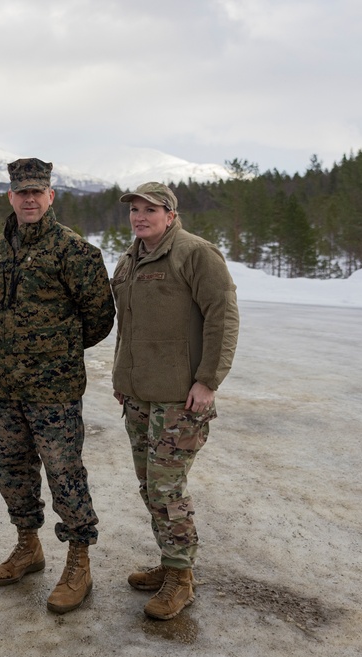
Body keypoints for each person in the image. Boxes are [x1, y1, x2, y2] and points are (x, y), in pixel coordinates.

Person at [0, 158, 115, 614]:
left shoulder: (75, 251)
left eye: (38, 191)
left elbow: (100, 319)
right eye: (23, 192)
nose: (30, 199)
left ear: (51, 196)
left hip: (54, 392)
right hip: (4, 388)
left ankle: (79, 561)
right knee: (11, 472)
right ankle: (28, 545)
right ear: (11, 197)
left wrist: (56, 352)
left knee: (65, 475)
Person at [111, 182, 239, 620]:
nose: (140, 216)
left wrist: (208, 381)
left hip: (180, 399)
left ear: (170, 214)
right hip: (140, 395)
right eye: (134, 210)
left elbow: (223, 316)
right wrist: (121, 377)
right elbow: (126, 328)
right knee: (150, 487)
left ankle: (181, 578)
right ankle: (170, 563)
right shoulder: (130, 260)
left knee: (167, 489)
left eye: (150, 209)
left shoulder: (195, 253)